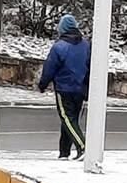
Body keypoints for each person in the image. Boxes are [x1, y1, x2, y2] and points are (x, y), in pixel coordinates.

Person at [38, 14, 91, 161]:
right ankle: (64, 152)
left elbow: (50, 68)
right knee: (70, 119)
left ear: (62, 29)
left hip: (64, 88)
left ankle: (83, 147)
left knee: (67, 118)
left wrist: (43, 84)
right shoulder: (86, 45)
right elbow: (90, 66)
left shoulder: (59, 47)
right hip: (80, 89)